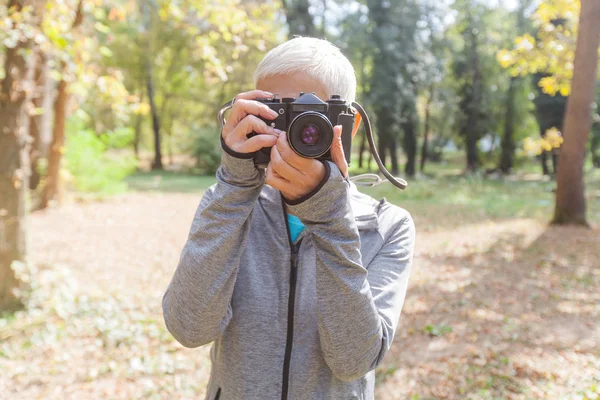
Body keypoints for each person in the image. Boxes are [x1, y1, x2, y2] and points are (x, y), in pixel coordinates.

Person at [162, 37, 416, 400]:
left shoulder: (387, 226)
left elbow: (353, 361)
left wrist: (330, 219)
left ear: (349, 125)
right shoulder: (232, 207)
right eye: (275, 114)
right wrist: (234, 185)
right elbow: (189, 327)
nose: (289, 135)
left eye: (308, 118)